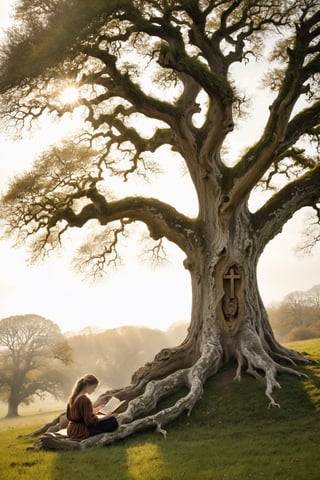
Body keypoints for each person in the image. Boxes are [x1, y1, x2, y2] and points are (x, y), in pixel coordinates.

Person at [66, 373, 119, 441]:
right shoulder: (84, 400)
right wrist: (106, 417)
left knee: (109, 420)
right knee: (112, 420)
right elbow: (90, 422)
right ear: (87, 385)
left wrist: (97, 409)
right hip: (81, 431)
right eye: (93, 387)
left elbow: (80, 413)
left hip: (71, 430)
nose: (94, 390)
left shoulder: (72, 398)